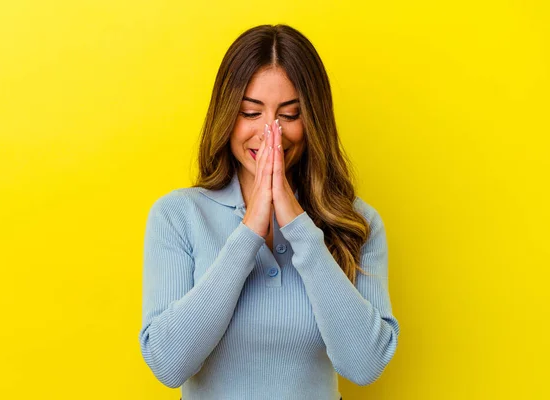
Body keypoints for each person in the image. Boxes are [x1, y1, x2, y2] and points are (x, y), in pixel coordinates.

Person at [138, 24, 400, 400]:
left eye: (290, 115)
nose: (269, 132)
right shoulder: (177, 216)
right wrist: (247, 233)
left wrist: (298, 226)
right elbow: (168, 363)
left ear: (314, 122)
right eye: (250, 112)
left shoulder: (357, 222)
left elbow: (365, 365)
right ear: (227, 115)